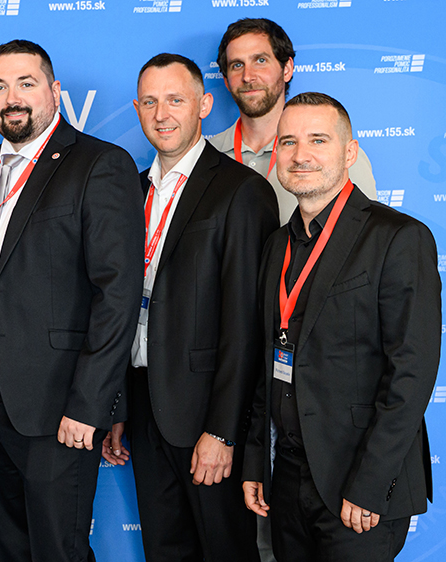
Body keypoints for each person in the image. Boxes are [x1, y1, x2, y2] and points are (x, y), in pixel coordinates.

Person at [0, 39, 145, 562]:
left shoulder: (99, 163)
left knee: (59, 551)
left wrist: (89, 406)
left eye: (26, 83)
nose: (11, 97)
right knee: (12, 549)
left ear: (54, 91)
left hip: (59, 409)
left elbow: (117, 295)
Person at [243, 92, 439, 562]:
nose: (300, 155)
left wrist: (371, 484)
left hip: (358, 485)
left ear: (349, 152)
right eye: (288, 142)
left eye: (318, 140)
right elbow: (267, 360)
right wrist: (256, 460)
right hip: (287, 477)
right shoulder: (276, 246)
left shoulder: (398, 237)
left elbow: (411, 375)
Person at [104, 53, 277, 562]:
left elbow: (247, 326)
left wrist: (223, 430)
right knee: (164, 550)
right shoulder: (131, 190)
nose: (161, 115)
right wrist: (119, 406)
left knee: (225, 551)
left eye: (175, 100)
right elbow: (119, 307)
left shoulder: (241, 190)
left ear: (203, 105)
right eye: (150, 102)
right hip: (144, 405)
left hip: (206, 415)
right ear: (137, 108)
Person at [210, 18, 377, 221]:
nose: (248, 76)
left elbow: (366, 232)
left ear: (287, 69)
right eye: (237, 65)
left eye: (260, 61)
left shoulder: (337, 154)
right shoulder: (206, 155)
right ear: (226, 80)